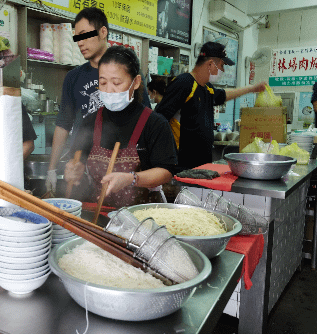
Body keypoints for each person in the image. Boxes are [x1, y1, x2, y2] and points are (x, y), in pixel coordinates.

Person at [46, 7, 151, 195]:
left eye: (85, 35)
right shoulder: (73, 77)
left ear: (103, 32)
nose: (80, 43)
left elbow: (145, 120)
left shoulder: (128, 72)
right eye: (76, 37)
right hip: (82, 166)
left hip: (122, 165)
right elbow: (63, 124)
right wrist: (52, 169)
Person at [63, 46, 177, 207]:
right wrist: (73, 169)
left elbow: (166, 172)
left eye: (116, 82)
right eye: (103, 82)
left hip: (143, 214)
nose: (109, 90)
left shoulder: (155, 123)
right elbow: (77, 159)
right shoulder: (90, 121)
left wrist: (132, 178)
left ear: (136, 82)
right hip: (100, 211)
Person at [154, 42, 266, 170]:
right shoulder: (184, 83)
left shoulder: (207, 88)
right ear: (211, 64)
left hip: (202, 164)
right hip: (182, 164)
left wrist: (252, 89)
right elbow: (158, 119)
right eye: (222, 65)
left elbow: (223, 95)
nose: (223, 70)